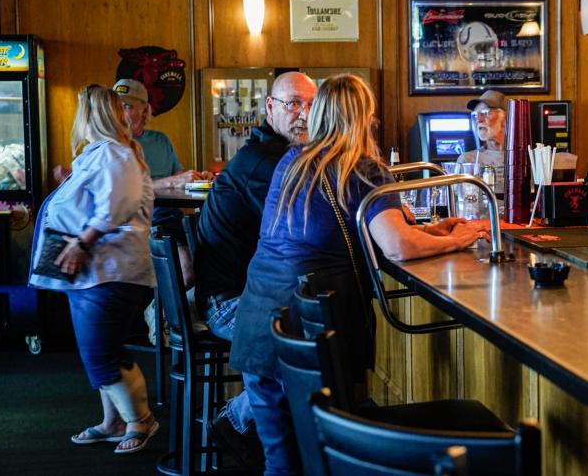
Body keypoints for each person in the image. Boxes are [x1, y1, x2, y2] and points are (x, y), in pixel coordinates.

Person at [229, 74, 488, 474]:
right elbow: (397, 246)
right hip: (312, 330)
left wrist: (429, 231)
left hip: (261, 327)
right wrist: (459, 239)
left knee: (281, 461)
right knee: (320, 460)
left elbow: (355, 231)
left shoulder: (293, 160)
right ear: (365, 117)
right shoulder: (362, 166)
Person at [194, 72, 317, 468]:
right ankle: (237, 419)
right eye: (293, 103)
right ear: (270, 108)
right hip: (228, 304)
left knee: (310, 344)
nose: (303, 114)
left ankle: (261, 430)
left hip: (252, 295)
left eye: (312, 105)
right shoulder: (266, 163)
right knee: (302, 351)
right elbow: (306, 224)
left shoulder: (281, 155)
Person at [29, 84, 158, 454]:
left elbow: (117, 206)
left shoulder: (116, 155)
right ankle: (113, 420)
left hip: (110, 269)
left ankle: (140, 421)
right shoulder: (101, 154)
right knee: (99, 350)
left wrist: (82, 241)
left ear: (89, 115)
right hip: (93, 272)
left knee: (102, 353)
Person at [113, 78, 210, 287]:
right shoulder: (110, 146)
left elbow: (179, 176)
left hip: (167, 219)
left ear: (145, 110)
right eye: (116, 106)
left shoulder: (160, 140)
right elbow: (123, 190)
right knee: (185, 267)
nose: (119, 112)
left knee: (210, 255)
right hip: (131, 224)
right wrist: (171, 181)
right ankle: (160, 312)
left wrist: (197, 178)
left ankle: (169, 313)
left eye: (127, 106)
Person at [456, 89, 506, 184]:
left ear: (505, 118)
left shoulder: (527, 159)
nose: (479, 119)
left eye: (485, 113)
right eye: (475, 115)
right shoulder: (468, 161)